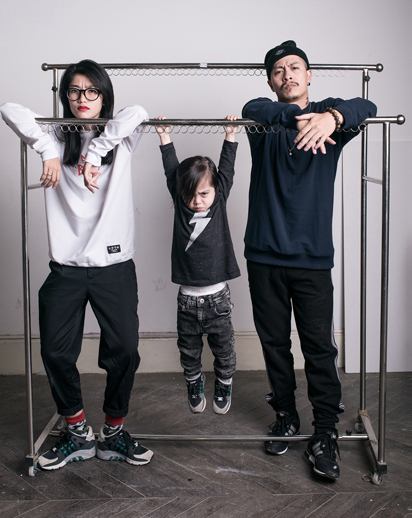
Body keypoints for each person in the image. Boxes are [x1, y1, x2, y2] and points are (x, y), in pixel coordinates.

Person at [0, 59, 153, 470]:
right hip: (66, 268)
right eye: (74, 90)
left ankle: (114, 433)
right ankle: (78, 431)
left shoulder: (120, 138)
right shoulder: (55, 134)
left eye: (91, 90)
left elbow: (138, 112)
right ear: (65, 95)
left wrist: (96, 152)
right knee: (54, 349)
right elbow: (8, 109)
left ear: (104, 95)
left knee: (124, 350)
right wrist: (47, 150)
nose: (82, 98)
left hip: (114, 266)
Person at [242, 40, 377, 480]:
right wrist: (297, 117)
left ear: (309, 75)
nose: (288, 75)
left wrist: (331, 118)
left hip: (312, 258)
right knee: (274, 344)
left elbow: (368, 105)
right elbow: (252, 108)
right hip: (263, 254)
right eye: (279, 70)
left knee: (319, 348)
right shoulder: (265, 119)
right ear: (271, 81)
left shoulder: (329, 119)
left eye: (295, 67)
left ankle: (324, 432)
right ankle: (285, 415)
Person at [155, 116, 240, 414]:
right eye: (190, 195)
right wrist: (164, 137)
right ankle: (194, 382)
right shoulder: (182, 205)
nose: (197, 201)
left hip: (218, 299)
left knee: (224, 350)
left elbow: (226, 168)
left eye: (204, 193)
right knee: (189, 352)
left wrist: (230, 136)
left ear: (216, 190)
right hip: (187, 300)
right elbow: (171, 170)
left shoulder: (219, 199)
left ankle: (224, 383)